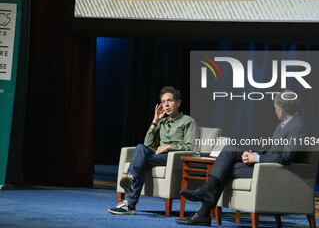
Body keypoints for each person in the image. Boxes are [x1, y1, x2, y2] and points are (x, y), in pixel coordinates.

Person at [176, 90, 307, 226]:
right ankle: (206, 195)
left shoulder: (297, 127)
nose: (274, 109)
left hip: (275, 173)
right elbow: (272, 151)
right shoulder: (284, 125)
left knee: (226, 168)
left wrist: (257, 159)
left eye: (275, 106)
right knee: (228, 151)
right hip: (266, 165)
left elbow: (288, 156)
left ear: (282, 109)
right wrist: (254, 154)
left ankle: (204, 209)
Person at [108, 86, 199, 215]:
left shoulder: (188, 121)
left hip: (174, 158)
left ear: (178, 102)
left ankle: (130, 197)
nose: (166, 104)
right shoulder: (162, 123)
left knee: (142, 158)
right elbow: (148, 145)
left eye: (170, 101)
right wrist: (155, 121)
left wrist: (169, 147)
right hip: (158, 157)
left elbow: (192, 147)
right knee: (141, 149)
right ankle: (130, 198)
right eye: (163, 102)